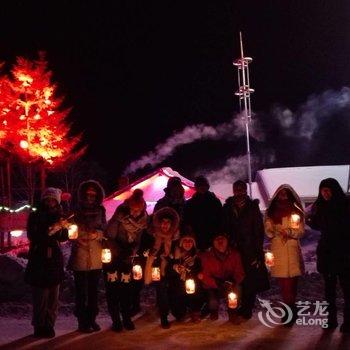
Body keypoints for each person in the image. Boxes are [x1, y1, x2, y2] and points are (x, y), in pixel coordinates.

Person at [306, 178, 350, 333]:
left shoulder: (345, 205)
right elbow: (318, 224)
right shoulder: (321, 207)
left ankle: (348, 321)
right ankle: (331, 320)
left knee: (346, 289)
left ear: (334, 190)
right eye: (322, 190)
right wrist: (309, 220)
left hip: (344, 253)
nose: (324, 193)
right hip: (327, 253)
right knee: (329, 290)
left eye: (327, 190)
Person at [24, 187, 68, 338]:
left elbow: (64, 237)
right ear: (43, 200)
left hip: (54, 260)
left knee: (53, 298)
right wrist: (48, 230)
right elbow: (32, 235)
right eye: (47, 199)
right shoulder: (35, 216)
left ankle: (50, 325)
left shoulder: (61, 216)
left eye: (53, 199)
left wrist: (62, 229)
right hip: (39, 258)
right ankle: (39, 325)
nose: (50, 202)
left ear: (57, 201)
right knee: (40, 297)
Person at [222, 180, 269, 320]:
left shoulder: (253, 208)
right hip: (233, 249)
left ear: (246, 190)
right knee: (234, 279)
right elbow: (224, 227)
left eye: (241, 189)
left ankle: (247, 309)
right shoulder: (227, 207)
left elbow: (259, 231)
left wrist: (257, 251)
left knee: (250, 280)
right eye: (236, 189)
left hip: (249, 250)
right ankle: (235, 307)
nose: (239, 191)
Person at [104, 189, 149, 331]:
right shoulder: (120, 216)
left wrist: (133, 250)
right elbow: (109, 236)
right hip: (115, 258)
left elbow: (139, 240)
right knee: (113, 289)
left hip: (128, 259)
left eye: (138, 210)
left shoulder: (143, 221)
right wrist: (120, 250)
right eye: (133, 210)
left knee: (126, 289)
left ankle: (126, 317)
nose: (135, 213)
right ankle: (116, 319)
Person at [68, 180, 107, 333]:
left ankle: (92, 319)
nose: (90, 196)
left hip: (96, 255)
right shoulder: (76, 210)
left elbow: (104, 228)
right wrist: (81, 235)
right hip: (80, 253)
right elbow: (70, 229)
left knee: (93, 291)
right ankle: (82, 321)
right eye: (88, 193)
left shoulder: (101, 210)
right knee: (81, 291)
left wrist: (97, 234)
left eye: (93, 193)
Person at [264, 184, 305, 326]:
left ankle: (292, 310)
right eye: (280, 193)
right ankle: (288, 312)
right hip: (279, 249)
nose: (283, 195)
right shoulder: (271, 211)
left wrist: (289, 232)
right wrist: (276, 231)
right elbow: (268, 230)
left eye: (285, 193)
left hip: (292, 249)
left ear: (290, 194)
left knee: (293, 284)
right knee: (284, 285)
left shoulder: (296, 211)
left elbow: (300, 231)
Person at [144, 206, 180, 328]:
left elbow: (177, 253)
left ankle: (177, 311)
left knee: (173, 291)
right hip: (156, 268)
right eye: (163, 222)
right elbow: (145, 249)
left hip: (171, 268)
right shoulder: (152, 235)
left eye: (168, 223)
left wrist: (170, 258)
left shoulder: (175, 237)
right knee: (161, 292)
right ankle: (164, 316)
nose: (165, 225)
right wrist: (150, 253)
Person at [199, 232, 245, 321]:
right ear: (213, 242)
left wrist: (233, 281)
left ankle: (233, 312)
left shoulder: (235, 254)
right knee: (212, 300)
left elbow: (240, 272)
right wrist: (217, 283)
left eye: (222, 238)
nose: (220, 241)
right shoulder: (206, 256)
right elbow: (205, 276)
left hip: (229, 284)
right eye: (217, 239)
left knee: (237, 289)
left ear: (227, 241)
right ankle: (213, 310)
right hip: (214, 284)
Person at [167, 231, 204, 324]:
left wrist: (195, 271)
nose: (187, 243)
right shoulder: (175, 255)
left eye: (190, 241)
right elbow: (168, 271)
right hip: (178, 284)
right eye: (185, 241)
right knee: (179, 310)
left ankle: (195, 311)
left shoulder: (196, 256)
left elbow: (199, 270)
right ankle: (180, 312)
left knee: (197, 291)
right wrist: (175, 268)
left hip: (192, 283)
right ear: (181, 243)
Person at [184, 176, 223, 251]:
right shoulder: (190, 203)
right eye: (199, 185)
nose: (202, 187)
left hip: (213, 238)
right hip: (196, 239)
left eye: (203, 185)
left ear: (207, 186)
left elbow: (221, 219)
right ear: (196, 187)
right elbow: (187, 222)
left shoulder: (215, 201)